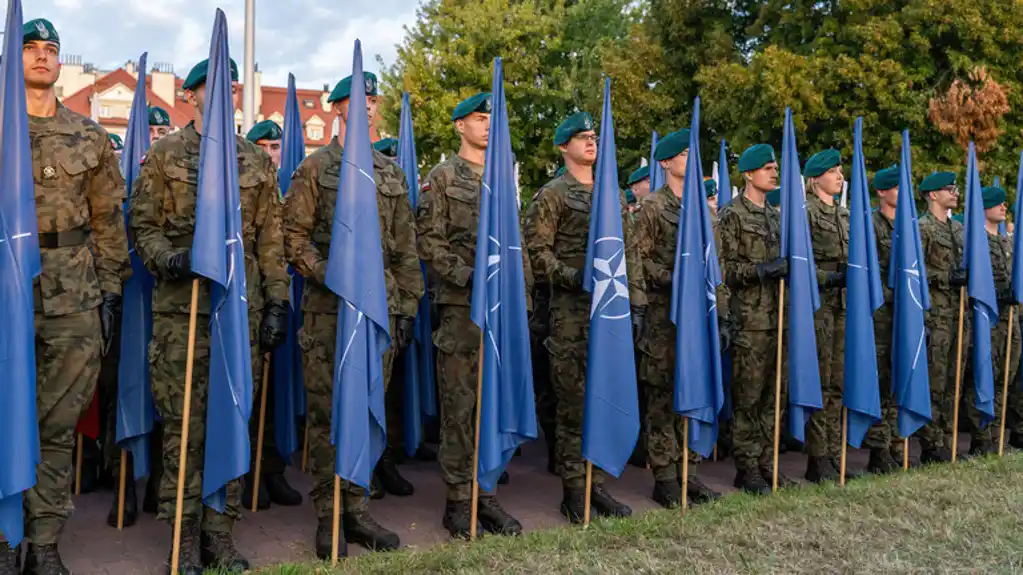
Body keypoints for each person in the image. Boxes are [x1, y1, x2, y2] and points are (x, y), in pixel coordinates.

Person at [130, 56, 289, 574]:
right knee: (184, 429)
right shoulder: (167, 156)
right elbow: (144, 225)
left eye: (230, 85)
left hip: (237, 316)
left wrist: (278, 303)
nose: (220, 93)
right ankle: (184, 535)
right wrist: (169, 259)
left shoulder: (255, 163)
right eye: (209, 87)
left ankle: (221, 532)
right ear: (191, 96)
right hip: (184, 314)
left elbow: (270, 241)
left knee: (232, 420)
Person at [1, 19, 131, 574]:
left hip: (74, 294)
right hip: (8, 292)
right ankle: (5, 542)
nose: (41, 57)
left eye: (50, 50)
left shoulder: (90, 136)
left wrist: (110, 289)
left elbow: (108, 220)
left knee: (58, 421)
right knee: (7, 414)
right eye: (29, 49)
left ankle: (45, 541)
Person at [282, 70, 423, 557]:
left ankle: (358, 513)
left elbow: (406, 248)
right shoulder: (316, 168)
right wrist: (333, 273)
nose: (365, 105)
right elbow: (293, 239)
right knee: (326, 415)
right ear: (337, 108)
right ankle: (329, 516)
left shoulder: (389, 173)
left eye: (372, 98)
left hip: (376, 315)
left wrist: (405, 308)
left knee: (366, 408)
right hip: (328, 313)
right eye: (355, 99)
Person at [417, 92, 533, 538]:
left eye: (491, 118)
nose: (487, 125)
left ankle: (486, 496)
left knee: (493, 401)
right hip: (462, 311)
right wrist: (471, 277)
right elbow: (430, 242)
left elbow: (515, 245)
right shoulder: (442, 177)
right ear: (459, 126)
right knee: (461, 407)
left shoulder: (502, 181)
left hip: (503, 314)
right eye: (479, 118)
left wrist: (520, 298)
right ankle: (458, 501)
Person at [523, 111, 645, 523]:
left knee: (606, 399)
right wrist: (574, 277)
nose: (591, 143)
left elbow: (630, 254)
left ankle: (600, 487)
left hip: (610, 312)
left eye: (594, 136)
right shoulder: (553, 194)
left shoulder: (610, 193)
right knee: (574, 407)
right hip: (571, 315)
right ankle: (575, 491)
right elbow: (536, 254)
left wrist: (638, 303)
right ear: (563, 146)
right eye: (581, 137)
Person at [634, 129, 722, 508]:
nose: (689, 158)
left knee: (695, 389)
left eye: (692, 152)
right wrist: (676, 281)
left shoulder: (705, 211)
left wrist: (723, 313)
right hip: (663, 317)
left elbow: (715, 267)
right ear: (666, 163)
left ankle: (690, 471)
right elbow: (638, 258)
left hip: (699, 319)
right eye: (682, 154)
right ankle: (665, 476)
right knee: (663, 396)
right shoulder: (653, 207)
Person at [717, 144, 789, 495]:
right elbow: (722, 269)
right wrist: (761, 270)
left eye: (775, 167)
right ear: (747, 174)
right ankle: (747, 468)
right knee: (749, 397)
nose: (774, 172)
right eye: (766, 168)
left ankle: (766, 462)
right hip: (749, 320)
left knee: (774, 396)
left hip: (778, 318)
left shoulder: (777, 216)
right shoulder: (732, 214)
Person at [240, 117, 303, 511]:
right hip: (250, 301)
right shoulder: (248, 187)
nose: (270, 154)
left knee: (279, 389)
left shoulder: (290, 189)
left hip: (282, 300)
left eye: (276, 147)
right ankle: (248, 474)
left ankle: (273, 467)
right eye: (263, 147)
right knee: (252, 389)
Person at [801, 149, 851, 482]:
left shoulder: (845, 215)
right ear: (816, 177)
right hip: (818, 303)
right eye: (832, 171)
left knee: (837, 382)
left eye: (840, 171)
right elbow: (800, 259)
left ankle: (834, 452)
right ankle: (818, 458)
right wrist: (827, 278)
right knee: (819, 381)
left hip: (844, 304)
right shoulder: (806, 212)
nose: (839, 176)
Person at [917, 171, 968, 463]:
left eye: (956, 189)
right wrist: (946, 277)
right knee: (935, 381)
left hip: (958, 315)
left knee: (954, 380)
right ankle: (931, 443)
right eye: (949, 189)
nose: (955, 193)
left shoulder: (959, 229)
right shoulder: (922, 228)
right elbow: (918, 271)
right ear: (933, 195)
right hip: (935, 315)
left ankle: (948, 438)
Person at [968, 186, 1020, 455]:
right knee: (984, 374)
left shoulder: (1007, 242)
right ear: (984, 208)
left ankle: (997, 436)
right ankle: (981, 436)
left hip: (1010, 320)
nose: (1003, 207)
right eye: (997, 204)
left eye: (1004, 204)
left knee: (1004, 380)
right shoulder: (976, 242)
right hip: (986, 320)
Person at [863, 165, 903, 473]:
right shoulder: (872, 226)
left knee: (897, 380)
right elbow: (871, 276)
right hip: (879, 317)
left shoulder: (908, 226)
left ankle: (894, 444)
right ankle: (878, 450)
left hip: (904, 317)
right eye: (897, 187)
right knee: (879, 381)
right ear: (881, 192)